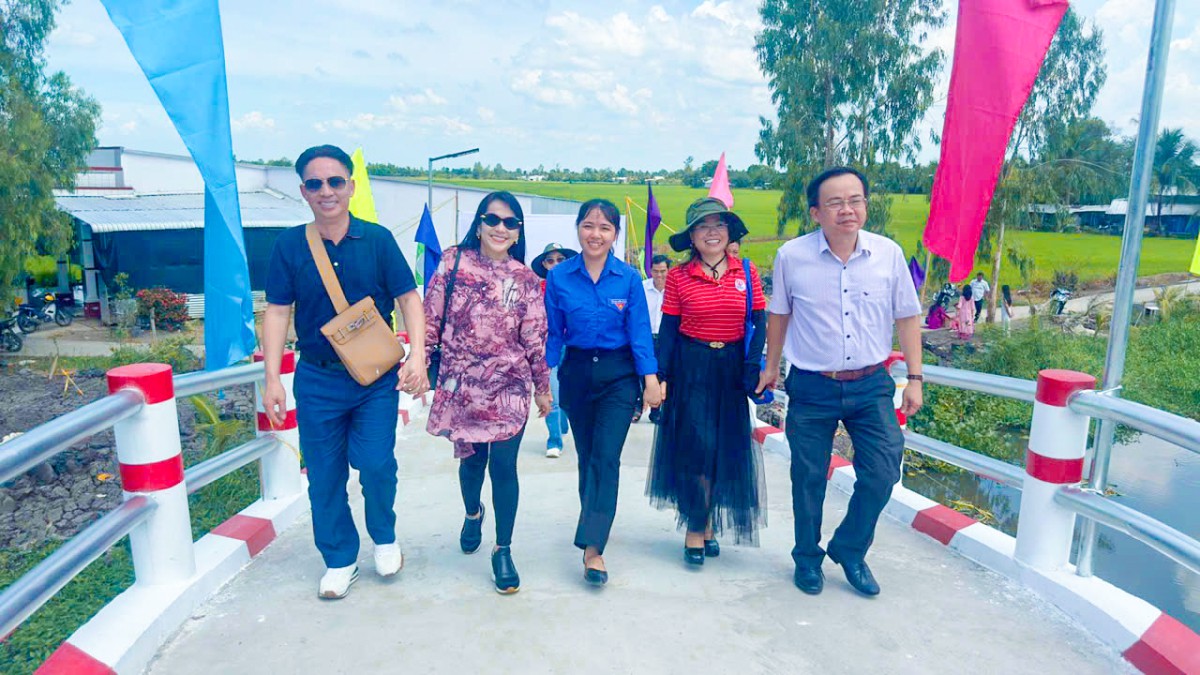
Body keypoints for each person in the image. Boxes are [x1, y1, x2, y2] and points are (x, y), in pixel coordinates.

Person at [262, 144, 428, 600]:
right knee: (324, 473)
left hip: (374, 380)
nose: (326, 191)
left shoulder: (377, 240)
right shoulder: (289, 245)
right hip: (317, 379)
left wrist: (417, 355)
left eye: (335, 181)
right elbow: (277, 311)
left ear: (351, 186)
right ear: (304, 191)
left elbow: (408, 298)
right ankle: (339, 558)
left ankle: (384, 535)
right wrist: (272, 378)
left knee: (376, 463)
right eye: (315, 184)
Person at [757, 167, 923, 598]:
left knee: (883, 469)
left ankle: (849, 548)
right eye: (835, 202)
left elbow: (907, 316)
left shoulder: (888, 253)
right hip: (813, 385)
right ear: (816, 212)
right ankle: (806, 558)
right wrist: (771, 366)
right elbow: (779, 315)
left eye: (855, 200)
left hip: (871, 384)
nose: (847, 209)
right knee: (808, 476)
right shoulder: (792, 256)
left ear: (865, 205)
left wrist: (916, 378)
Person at [423, 192, 551, 595]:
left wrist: (542, 389)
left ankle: (503, 549)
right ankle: (472, 512)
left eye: (510, 222)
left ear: (518, 232)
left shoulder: (525, 279)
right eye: (492, 219)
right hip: (462, 385)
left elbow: (535, 338)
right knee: (473, 463)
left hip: (510, 386)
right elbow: (430, 318)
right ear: (479, 224)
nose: (500, 228)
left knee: (504, 468)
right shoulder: (452, 262)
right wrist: (418, 364)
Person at [545, 198, 663, 586]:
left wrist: (649, 380)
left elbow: (639, 332)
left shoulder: (627, 278)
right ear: (578, 229)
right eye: (589, 225)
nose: (595, 234)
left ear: (615, 234)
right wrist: (543, 379)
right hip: (577, 372)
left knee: (607, 457)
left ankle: (593, 547)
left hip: (618, 375)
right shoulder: (560, 277)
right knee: (588, 457)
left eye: (605, 227)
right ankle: (593, 523)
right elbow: (553, 333)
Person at [647, 197, 767, 566]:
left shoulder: (747, 271)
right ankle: (695, 527)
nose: (711, 232)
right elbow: (669, 330)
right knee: (696, 448)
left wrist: (752, 367)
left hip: (731, 369)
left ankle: (709, 521)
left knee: (724, 450)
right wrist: (660, 376)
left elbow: (760, 322)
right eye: (702, 226)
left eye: (718, 225)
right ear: (692, 236)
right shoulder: (679, 276)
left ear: (729, 232)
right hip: (691, 368)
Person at [532, 243, 577, 458]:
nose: (555, 264)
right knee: (551, 395)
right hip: (546, 348)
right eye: (550, 260)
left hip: (572, 348)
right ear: (544, 265)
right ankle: (554, 440)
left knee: (567, 394)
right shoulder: (535, 290)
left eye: (560, 260)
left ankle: (563, 424)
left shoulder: (576, 288)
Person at [640, 254, 671, 424]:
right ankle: (638, 406)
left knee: (660, 373)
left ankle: (656, 410)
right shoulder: (642, 288)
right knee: (641, 371)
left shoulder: (674, 289)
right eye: (655, 271)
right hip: (645, 336)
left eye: (663, 271)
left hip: (665, 337)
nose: (659, 275)